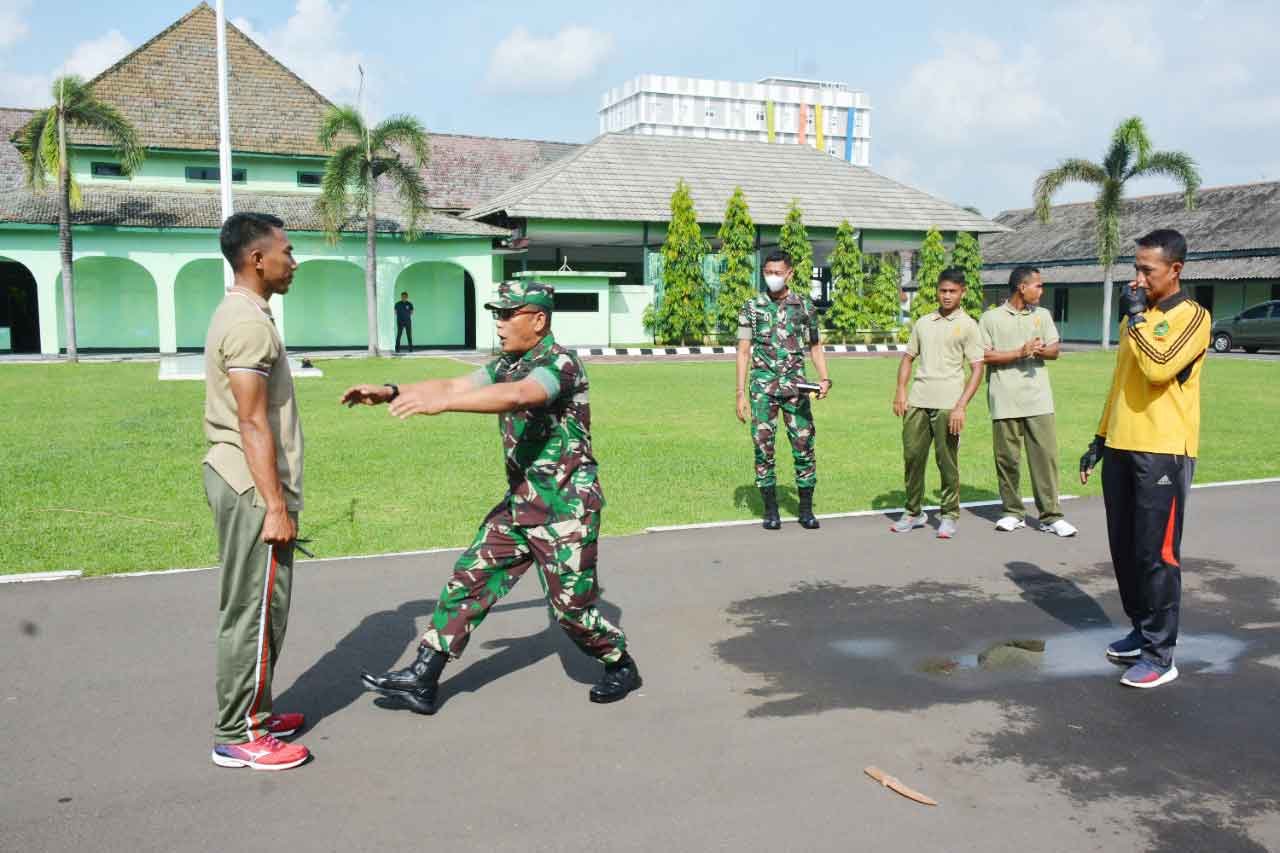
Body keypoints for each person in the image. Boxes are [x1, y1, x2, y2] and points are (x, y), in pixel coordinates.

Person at [342, 279, 640, 713]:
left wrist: (442, 407)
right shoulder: (508, 363)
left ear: (538, 320)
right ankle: (423, 677)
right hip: (521, 502)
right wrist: (391, 392)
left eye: (507, 314)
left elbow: (520, 395)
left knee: (572, 613)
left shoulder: (560, 363)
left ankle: (620, 662)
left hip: (564, 509)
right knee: (469, 578)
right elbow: (453, 385)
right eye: (496, 314)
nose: (498, 323)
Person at [1080, 229, 1209, 689]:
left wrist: (1136, 318)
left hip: (1164, 452)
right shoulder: (1135, 319)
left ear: (1175, 270)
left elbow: (1158, 369)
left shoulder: (1193, 317)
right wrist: (1099, 438)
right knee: (1127, 550)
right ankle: (1141, 629)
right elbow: (1122, 382)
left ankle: (1161, 654)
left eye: (1146, 270)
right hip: (1122, 444)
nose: (1138, 278)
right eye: (1136, 268)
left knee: (1158, 555)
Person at [203, 212, 309, 770]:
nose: (294, 261)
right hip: (249, 487)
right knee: (253, 608)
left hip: (240, 478)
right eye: (287, 251)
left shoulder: (247, 314)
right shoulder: (248, 325)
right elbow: (251, 422)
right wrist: (274, 506)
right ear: (256, 259)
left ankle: (256, 711)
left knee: (263, 606)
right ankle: (238, 733)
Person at [735, 250, 832, 530]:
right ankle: (771, 511)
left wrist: (824, 378)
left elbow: (814, 345)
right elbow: (743, 351)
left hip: (796, 388)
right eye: (768, 272)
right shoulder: (751, 307)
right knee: (763, 448)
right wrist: (740, 393)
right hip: (762, 390)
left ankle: (805, 510)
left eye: (777, 272)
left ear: (790, 273)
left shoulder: (804, 306)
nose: (772, 277)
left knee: (803, 447)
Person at [979, 266, 1077, 537]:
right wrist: (1019, 352)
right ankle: (1013, 512)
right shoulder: (990, 318)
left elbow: (1055, 350)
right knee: (1007, 459)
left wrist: (1041, 350)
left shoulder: (1042, 315)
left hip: (1039, 400)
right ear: (1022, 287)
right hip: (1004, 399)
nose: (1041, 291)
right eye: (1038, 286)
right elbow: (984, 355)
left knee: (1045, 459)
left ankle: (1051, 516)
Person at [890, 267, 985, 539]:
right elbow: (908, 358)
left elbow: (978, 369)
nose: (946, 296)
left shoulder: (968, 325)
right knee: (912, 458)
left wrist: (961, 406)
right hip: (918, 402)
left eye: (952, 291)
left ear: (962, 292)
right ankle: (913, 512)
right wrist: (900, 391)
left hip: (948, 404)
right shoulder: (923, 322)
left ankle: (949, 515)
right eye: (942, 290)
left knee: (946, 461)